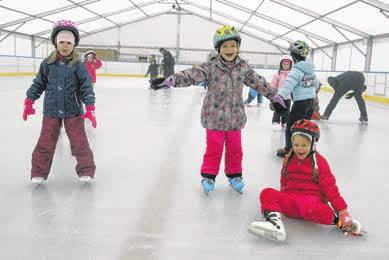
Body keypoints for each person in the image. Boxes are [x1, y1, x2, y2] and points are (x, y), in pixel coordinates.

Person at [150, 25, 285, 194]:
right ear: (218, 49)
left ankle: (235, 175)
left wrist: (274, 96)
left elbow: (259, 82)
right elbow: (192, 74)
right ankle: (208, 176)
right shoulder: (211, 67)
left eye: (233, 46)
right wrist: (171, 80)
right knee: (214, 149)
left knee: (236, 149)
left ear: (238, 47)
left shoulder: (243, 68)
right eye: (225, 46)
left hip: (235, 118)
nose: (230, 49)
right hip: (213, 117)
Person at [248, 120, 362, 242]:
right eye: (296, 145)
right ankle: (275, 225)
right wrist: (281, 197)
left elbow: (331, 189)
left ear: (313, 144)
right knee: (267, 192)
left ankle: (340, 222)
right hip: (291, 203)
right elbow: (284, 180)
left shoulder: (319, 163)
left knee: (311, 208)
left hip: (311, 204)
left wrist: (342, 211)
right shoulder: (288, 159)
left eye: (304, 145)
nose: (299, 149)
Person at [23, 20, 96, 184]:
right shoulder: (47, 64)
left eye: (69, 42)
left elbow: (86, 87)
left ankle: (86, 170)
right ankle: (39, 172)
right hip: (52, 110)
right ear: (56, 43)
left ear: (74, 44)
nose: (65, 45)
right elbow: (38, 83)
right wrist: (29, 100)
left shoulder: (78, 65)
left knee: (79, 142)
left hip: (73, 110)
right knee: (45, 142)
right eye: (61, 42)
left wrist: (90, 106)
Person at [275, 40, 319, 158]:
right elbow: (317, 84)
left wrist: (279, 96)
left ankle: (289, 148)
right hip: (311, 102)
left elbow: (288, 86)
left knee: (291, 125)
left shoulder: (296, 71)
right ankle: (308, 147)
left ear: (293, 56)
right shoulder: (310, 70)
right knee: (306, 125)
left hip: (300, 103)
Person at [270, 55, 293, 129]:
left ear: (290, 65)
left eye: (287, 64)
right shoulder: (278, 74)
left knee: (287, 110)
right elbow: (273, 84)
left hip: (288, 96)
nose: (285, 66)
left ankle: (285, 122)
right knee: (278, 110)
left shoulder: (292, 74)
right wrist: (272, 94)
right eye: (284, 64)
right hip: (278, 96)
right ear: (281, 64)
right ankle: (276, 122)